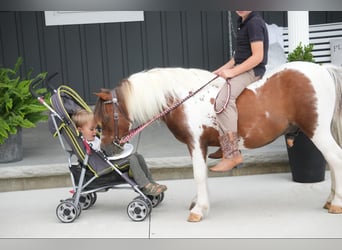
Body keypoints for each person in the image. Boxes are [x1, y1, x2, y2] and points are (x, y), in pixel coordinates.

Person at [210, 11, 269, 172]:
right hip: (241, 67)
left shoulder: (254, 23)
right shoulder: (243, 22)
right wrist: (217, 72)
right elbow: (237, 58)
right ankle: (224, 146)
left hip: (252, 70)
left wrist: (233, 73)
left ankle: (232, 154)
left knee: (223, 101)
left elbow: (258, 57)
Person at [71, 109, 167, 196]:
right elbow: (101, 151)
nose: (95, 132)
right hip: (104, 166)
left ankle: (151, 182)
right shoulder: (86, 143)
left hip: (109, 159)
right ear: (80, 130)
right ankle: (145, 186)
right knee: (131, 159)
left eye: (96, 128)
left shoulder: (93, 139)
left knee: (138, 156)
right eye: (91, 129)